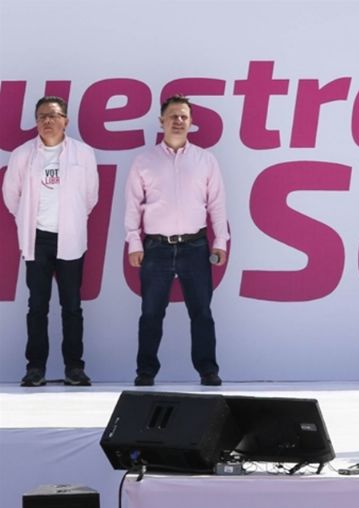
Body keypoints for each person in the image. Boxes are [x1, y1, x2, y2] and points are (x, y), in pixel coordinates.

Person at [124, 95, 228, 386]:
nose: (178, 121)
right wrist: (134, 242)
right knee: (151, 313)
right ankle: (145, 372)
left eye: (183, 117)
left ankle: (208, 370)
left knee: (202, 312)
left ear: (191, 122)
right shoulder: (144, 161)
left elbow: (217, 204)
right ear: (161, 121)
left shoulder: (205, 161)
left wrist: (221, 240)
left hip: (195, 246)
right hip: (156, 247)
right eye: (172, 116)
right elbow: (133, 204)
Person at [3, 96, 99, 387]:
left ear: (66, 121)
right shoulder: (22, 155)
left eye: (54, 116)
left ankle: (74, 368)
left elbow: (90, 196)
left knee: (72, 306)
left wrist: (71, 220)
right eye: (42, 116)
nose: (48, 121)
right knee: (37, 306)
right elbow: (11, 195)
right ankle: (35, 368)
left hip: (70, 238)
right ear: (36, 122)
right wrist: (26, 221)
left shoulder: (83, 154)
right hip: (38, 239)